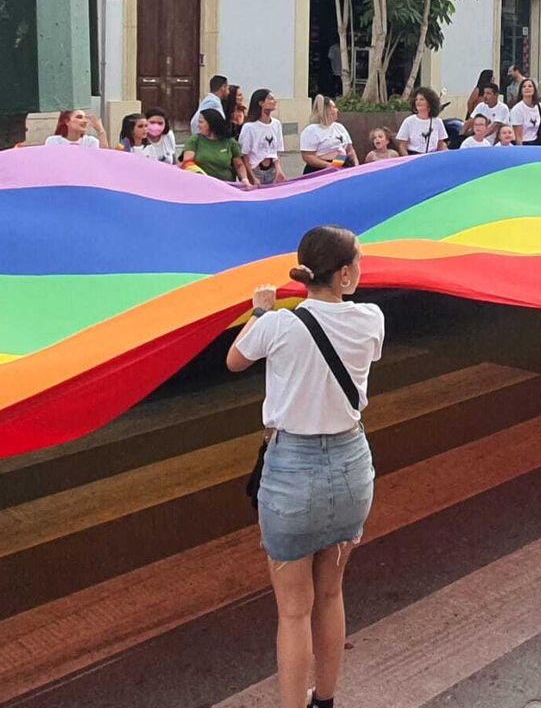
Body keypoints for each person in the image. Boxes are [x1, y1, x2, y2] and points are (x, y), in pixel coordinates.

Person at [226, 226, 384, 708]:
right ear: (343, 274)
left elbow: (234, 361)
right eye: (358, 261)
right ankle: (326, 700)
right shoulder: (371, 320)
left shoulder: (277, 324)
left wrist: (260, 311)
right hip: (351, 468)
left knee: (294, 613)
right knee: (331, 595)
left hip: (291, 474)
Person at [183, 108, 254, 186]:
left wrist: (244, 179)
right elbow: (187, 162)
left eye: (201, 122)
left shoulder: (230, 142)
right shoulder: (194, 140)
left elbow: (239, 165)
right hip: (201, 185)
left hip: (226, 186)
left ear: (211, 123)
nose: (198, 125)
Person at [240, 89, 287, 186]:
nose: (274, 101)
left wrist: (279, 170)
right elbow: (245, 155)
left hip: (272, 169)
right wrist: (252, 177)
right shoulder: (249, 127)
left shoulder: (276, 124)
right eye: (270, 99)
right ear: (261, 103)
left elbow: (275, 151)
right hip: (256, 169)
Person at [301, 96, 357, 170]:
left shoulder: (339, 127)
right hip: (322, 167)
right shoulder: (312, 130)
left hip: (343, 162)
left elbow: (350, 149)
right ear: (326, 110)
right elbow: (308, 156)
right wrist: (330, 165)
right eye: (333, 107)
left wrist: (356, 165)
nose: (336, 110)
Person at [394, 88, 448, 156]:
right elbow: (402, 146)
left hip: (431, 157)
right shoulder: (409, 121)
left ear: (430, 102)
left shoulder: (438, 122)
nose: (418, 102)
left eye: (422, 99)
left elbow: (441, 145)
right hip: (414, 157)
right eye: (416, 99)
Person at [509, 78, 541, 144]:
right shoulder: (517, 109)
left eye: (530, 86)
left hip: (537, 142)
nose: (527, 88)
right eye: (524, 86)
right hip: (523, 143)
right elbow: (518, 136)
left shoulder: (540, 106)